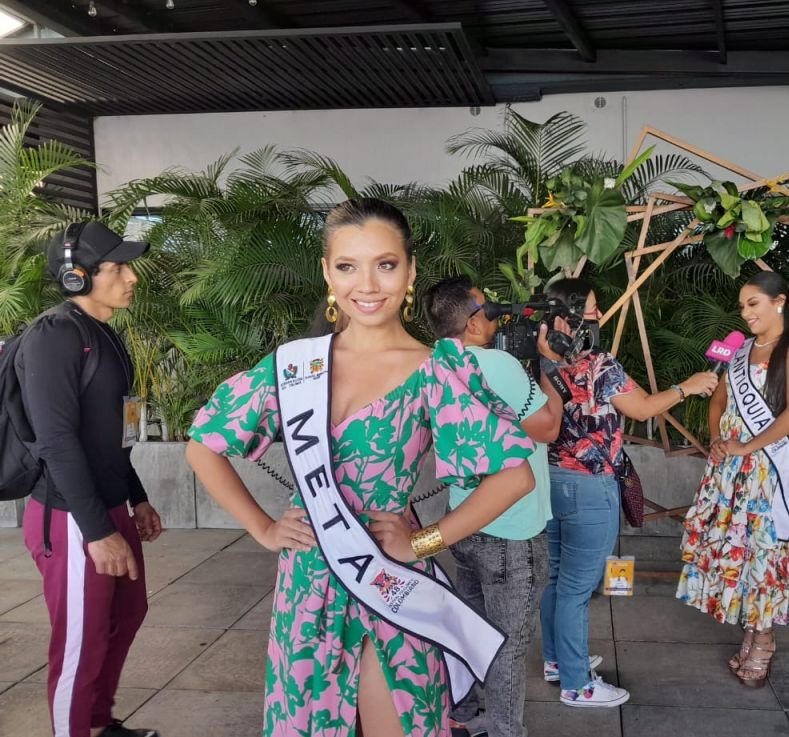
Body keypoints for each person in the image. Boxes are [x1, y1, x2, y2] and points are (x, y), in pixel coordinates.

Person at [185, 198, 536, 737]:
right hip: (308, 579)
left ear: (411, 271)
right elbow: (204, 445)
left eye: (386, 264)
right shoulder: (295, 365)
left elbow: (515, 476)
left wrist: (425, 543)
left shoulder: (437, 369)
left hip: (388, 579)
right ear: (327, 272)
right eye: (348, 266)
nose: (367, 285)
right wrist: (263, 527)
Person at [539, 277, 718, 708]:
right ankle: (577, 683)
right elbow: (640, 408)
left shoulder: (537, 359)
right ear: (569, 316)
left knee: (558, 579)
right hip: (591, 485)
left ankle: (557, 660)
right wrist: (686, 388)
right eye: (592, 309)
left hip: (549, 482)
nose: (598, 315)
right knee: (577, 589)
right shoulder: (598, 362)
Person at [17, 222, 162, 737]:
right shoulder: (54, 337)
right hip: (72, 516)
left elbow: (112, 434)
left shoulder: (103, 333)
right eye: (118, 268)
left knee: (126, 612)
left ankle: (97, 724)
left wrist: (136, 498)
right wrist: (97, 530)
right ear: (77, 278)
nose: (132, 277)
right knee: (81, 637)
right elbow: (57, 441)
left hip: (109, 504)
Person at [423, 276, 563, 737]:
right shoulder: (497, 363)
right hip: (511, 530)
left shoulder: (435, 365)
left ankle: (469, 713)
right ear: (473, 321)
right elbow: (546, 428)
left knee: (475, 633)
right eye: (489, 309)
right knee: (507, 647)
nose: (496, 316)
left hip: (464, 520)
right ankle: (506, 730)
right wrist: (550, 369)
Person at [676, 271, 789, 688]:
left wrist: (746, 446)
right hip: (730, 470)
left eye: (753, 303)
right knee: (738, 549)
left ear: (779, 302)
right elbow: (718, 401)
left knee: (766, 550)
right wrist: (718, 437)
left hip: (766, 471)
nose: (745, 312)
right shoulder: (738, 351)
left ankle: (765, 638)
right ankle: (753, 629)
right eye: (742, 306)